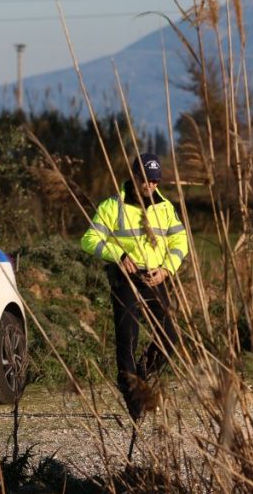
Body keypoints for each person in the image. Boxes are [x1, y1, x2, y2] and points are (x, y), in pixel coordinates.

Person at [80, 153, 187, 421]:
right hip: (126, 279)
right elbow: (89, 239)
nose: (151, 185)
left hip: (156, 277)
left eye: (155, 180)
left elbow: (180, 242)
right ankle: (133, 398)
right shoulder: (111, 206)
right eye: (146, 179)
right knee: (128, 339)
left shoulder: (165, 208)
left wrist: (166, 270)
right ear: (135, 177)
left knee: (170, 336)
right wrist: (119, 255)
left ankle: (141, 373)